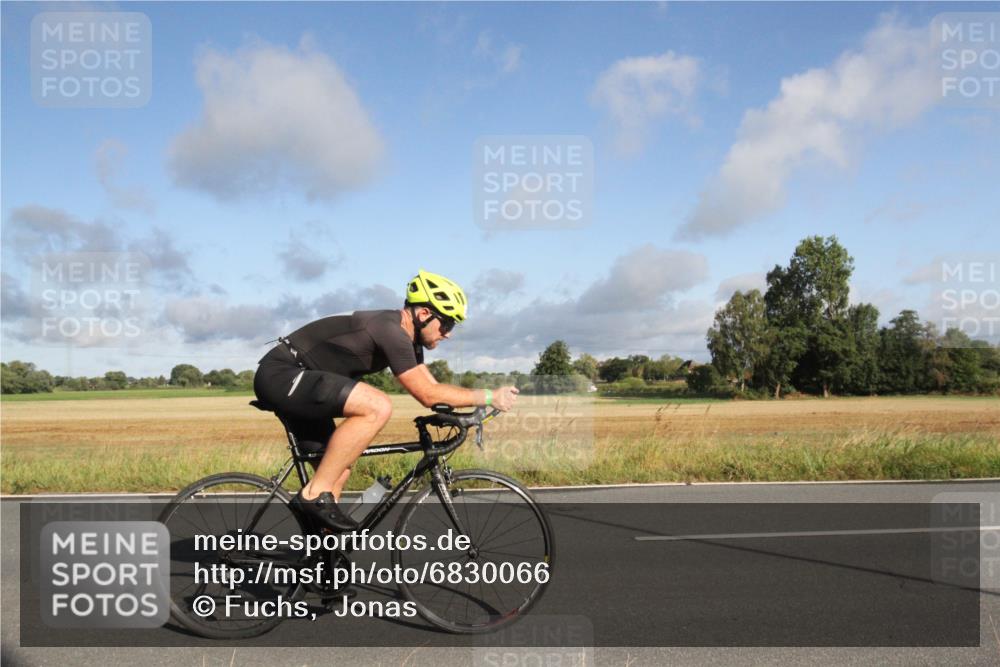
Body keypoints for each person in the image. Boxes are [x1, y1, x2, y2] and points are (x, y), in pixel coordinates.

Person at [253, 269, 519, 532]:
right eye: (447, 323)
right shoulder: (389, 330)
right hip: (283, 374)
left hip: (310, 385)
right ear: (424, 314)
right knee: (377, 406)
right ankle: (313, 495)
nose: (448, 333)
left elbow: (434, 390)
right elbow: (426, 394)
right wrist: (488, 396)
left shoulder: (410, 342)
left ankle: (323, 560)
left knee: (337, 470)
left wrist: (467, 414)